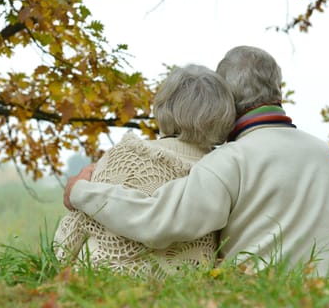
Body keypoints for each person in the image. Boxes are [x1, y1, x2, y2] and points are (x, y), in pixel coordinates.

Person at [64, 46, 329, 276]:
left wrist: (81, 191)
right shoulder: (323, 152)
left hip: (260, 293)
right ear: (277, 88)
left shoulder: (233, 159)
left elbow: (160, 220)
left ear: (228, 100)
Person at [53, 64, 236, 277]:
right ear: (224, 116)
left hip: (99, 283)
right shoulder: (223, 172)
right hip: (182, 291)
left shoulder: (124, 157)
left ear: (163, 107)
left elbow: (68, 242)